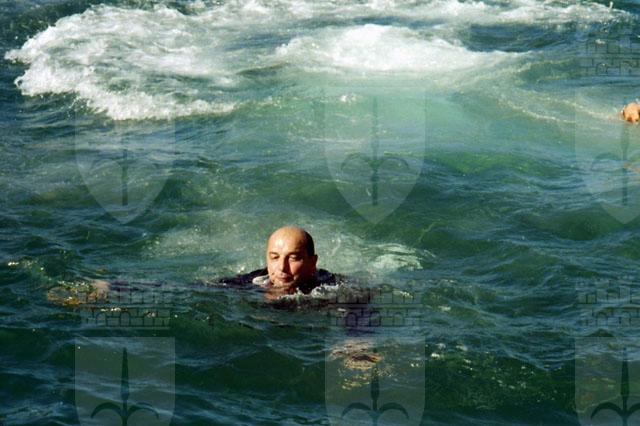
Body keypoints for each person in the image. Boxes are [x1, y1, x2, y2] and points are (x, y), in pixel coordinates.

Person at [220, 226, 338, 300]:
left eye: (293, 258)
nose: (282, 267)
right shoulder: (252, 281)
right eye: (274, 257)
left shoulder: (332, 288)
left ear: (312, 263)